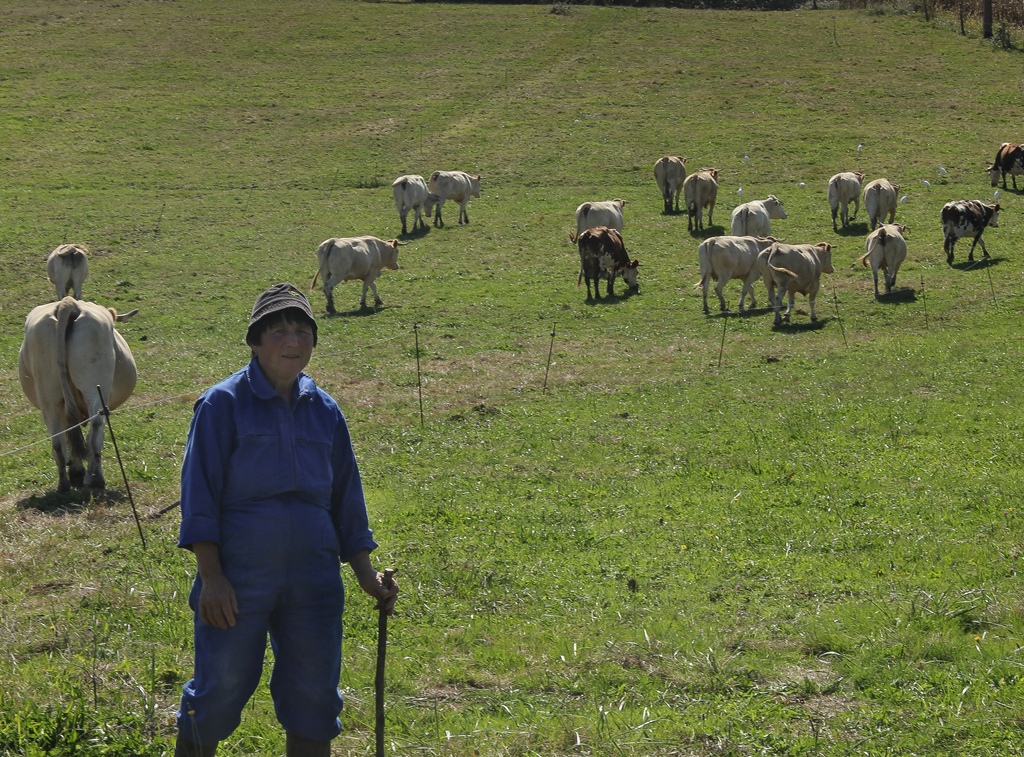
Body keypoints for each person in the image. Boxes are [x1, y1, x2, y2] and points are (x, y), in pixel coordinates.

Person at [175, 283, 398, 757]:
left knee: (315, 695)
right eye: (278, 331)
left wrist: (366, 575)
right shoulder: (222, 405)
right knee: (219, 689)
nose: (292, 341)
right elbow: (199, 497)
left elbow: (346, 499)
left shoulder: (326, 410)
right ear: (255, 341)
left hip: (314, 578)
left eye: (302, 331)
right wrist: (211, 577)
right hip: (239, 576)